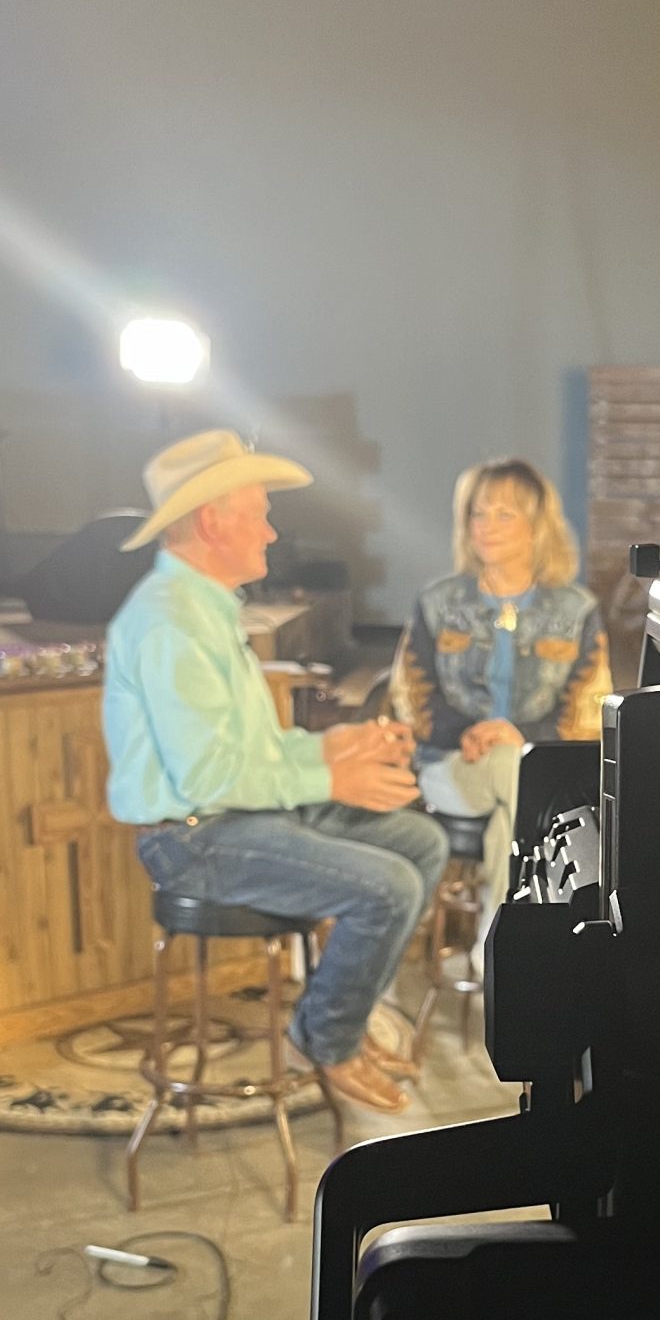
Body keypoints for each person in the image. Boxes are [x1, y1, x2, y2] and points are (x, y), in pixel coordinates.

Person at [102, 429, 447, 1117]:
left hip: (234, 817)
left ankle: (339, 1019)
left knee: (421, 843)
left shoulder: (203, 609)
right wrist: (331, 781)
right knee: (388, 887)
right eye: (258, 513)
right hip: (192, 838)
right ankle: (327, 1041)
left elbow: (251, 756)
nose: (270, 531)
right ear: (212, 521)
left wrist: (334, 748)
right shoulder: (171, 622)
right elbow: (209, 778)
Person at [390, 458, 612, 907]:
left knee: (509, 803)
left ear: (536, 527)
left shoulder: (576, 611)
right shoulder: (437, 602)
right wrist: (469, 732)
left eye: (504, 514)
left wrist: (522, 736)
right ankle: (524, 938)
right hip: (451, 764)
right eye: (478, 513)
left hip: (537, 768)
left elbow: (588, 714)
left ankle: (491, 937)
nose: (486, 526)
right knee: (515, 772)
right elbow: (410, 696)